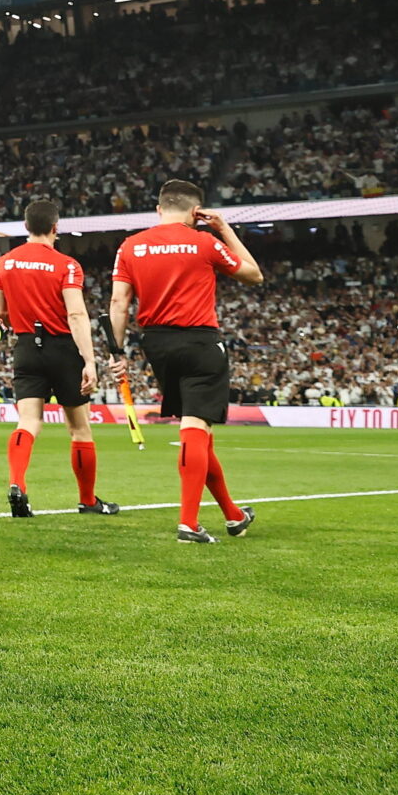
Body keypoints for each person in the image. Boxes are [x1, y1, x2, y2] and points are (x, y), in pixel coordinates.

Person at [109, 181, 263, 544]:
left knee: (200, 433)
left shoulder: (130, 246)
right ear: (197, 213)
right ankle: (188, 523)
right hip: (199, 341)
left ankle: (233, 514)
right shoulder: (205, 241)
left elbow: (118, 304)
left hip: (156, 345)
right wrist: (224, 229)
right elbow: (253, 273)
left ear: (159, 208)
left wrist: (117, 354)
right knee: (195, 427)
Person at [0, 199, 118, 517]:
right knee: (79, 429)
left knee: (29, 421)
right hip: (62, 348)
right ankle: (88, 500)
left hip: (25, 348)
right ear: (55, 228)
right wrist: (89, 360)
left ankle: (18, 483)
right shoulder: (67, 265)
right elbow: (75, 313)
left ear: (26, 226)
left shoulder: (4, 263)